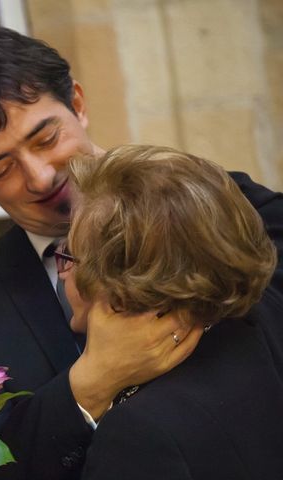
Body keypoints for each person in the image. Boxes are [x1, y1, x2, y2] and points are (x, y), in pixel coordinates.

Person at [0, 26, 283, 479]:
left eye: (46, 139)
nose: (38, 177)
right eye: (2, 168)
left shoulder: (225, 202)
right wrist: (88, 385)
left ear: (77, 103)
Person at [58, 144, 283, 479]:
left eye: (70, 257)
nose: (62, 272)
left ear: (118, 289)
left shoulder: (138, 434)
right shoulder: (264, 315)